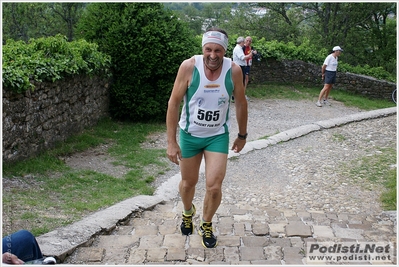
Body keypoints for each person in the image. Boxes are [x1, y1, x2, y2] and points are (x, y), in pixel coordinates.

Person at [166, 28, 248, 248]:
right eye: (208, 49)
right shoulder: (189, 67)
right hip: (190, 135)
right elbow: (173, 103)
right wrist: (171, 142)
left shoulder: (234, 71)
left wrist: (242, 134)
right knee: (188, 184)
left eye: (218, 50)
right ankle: (187, 211)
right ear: (203, 49)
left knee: (213, 186)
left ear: (225, 51)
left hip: (217, 136)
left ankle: (206, 223)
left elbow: (240, 102)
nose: (213, 55)